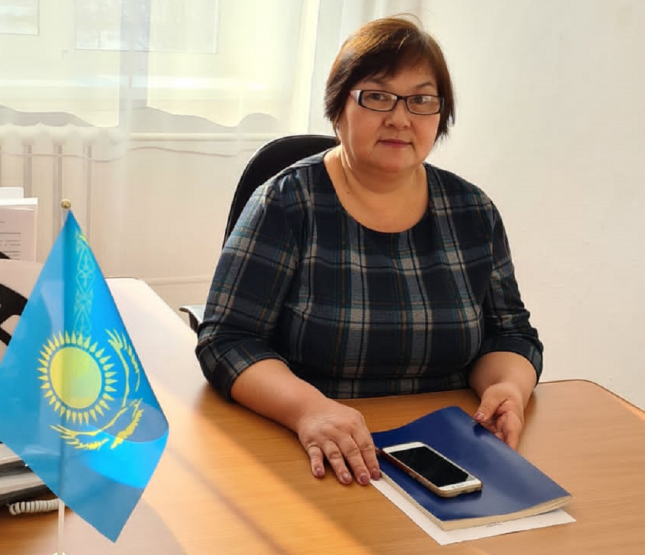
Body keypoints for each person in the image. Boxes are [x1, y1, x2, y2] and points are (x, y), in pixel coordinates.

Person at [195, 16, 542, 488]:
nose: (400, 118)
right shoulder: (287, 202)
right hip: (314, 451)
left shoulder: (472, 210)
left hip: (448, 450)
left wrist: (508, 388)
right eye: (378, 96)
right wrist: (309, 409)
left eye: (421, 100)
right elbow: (226, 340)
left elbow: (510, 332)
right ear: (338, 107)